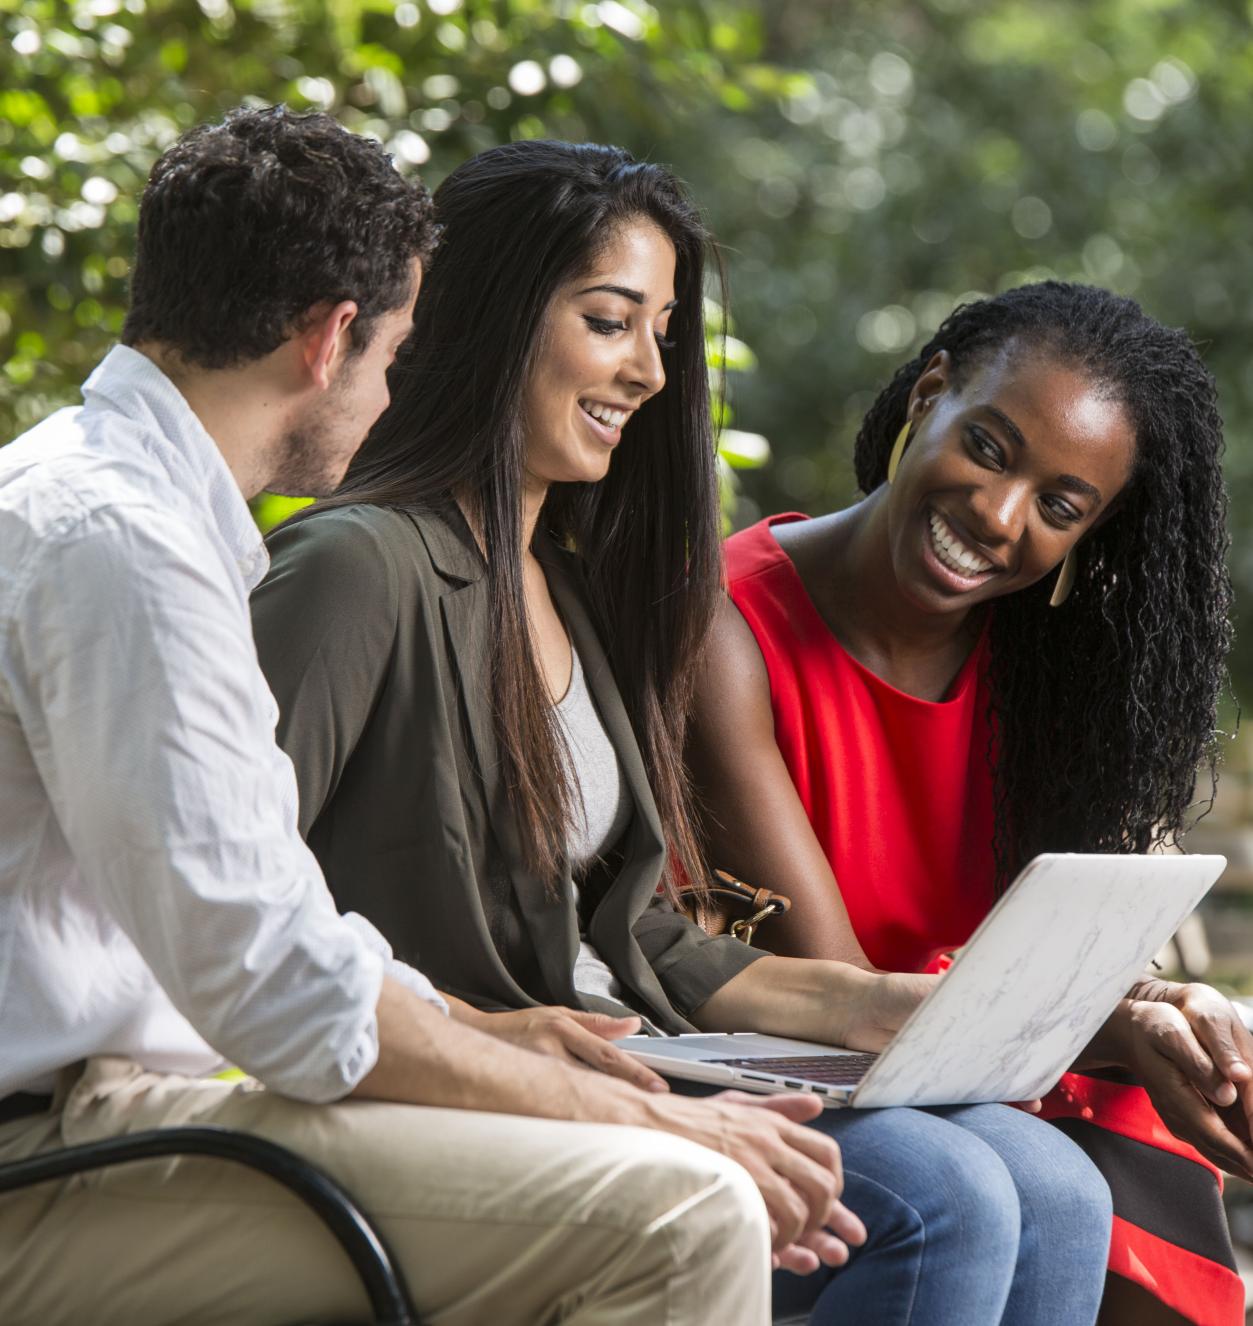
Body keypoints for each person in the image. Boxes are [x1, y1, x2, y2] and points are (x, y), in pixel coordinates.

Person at [0, 106, 882, 1326]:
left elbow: (270, 927)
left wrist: (497, 1035)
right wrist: (636, 1108)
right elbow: (276, 989)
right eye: (397, 347)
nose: (400, 383)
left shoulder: (109, 506)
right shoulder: (125, 546)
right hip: (51, 1157)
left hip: (117, 1112)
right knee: (683, 1206)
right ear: (331, 340)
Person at [253, 140, 1114, 1326]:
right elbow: (227, 911)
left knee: (1059, 1189)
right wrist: (474, 1029)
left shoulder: (567, 584)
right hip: (463, 1094)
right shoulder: (355, 569)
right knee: (938, 1193)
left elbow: (642, 932)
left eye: (659, 332)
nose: (649, 372)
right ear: (494, 314)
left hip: (646, 1050)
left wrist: (865, 1006)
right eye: (610, 321)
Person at [686, 281, 1248, 1325]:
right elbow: (844, 994)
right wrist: (1121, 1027)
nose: (997, 517)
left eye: (1058, 507)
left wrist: (1176, 1011)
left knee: (1095, 1156)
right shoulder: (726, 626)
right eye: (987, 448)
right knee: (1025, 1182)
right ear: (927, 396)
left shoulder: (1045, 671)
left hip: (994, 1069)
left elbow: (1072, 949)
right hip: (813, 1062)